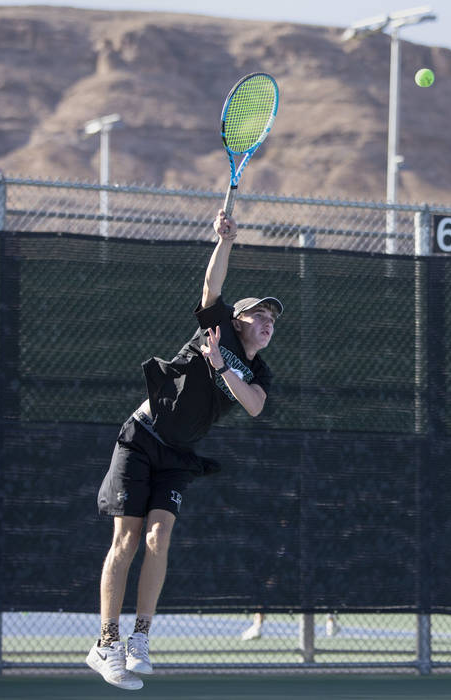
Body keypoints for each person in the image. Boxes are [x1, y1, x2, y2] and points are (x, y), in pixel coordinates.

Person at [86, 209, 282, 690]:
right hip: (142, 436)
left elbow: (255, 406)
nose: (267, 321)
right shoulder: (216, 325)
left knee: (157, 540)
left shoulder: (257, 372)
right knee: (126, 540)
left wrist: (223, 368)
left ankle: (140, 639)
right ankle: (105, 642)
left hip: (179, 454)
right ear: (238, 320)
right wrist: (226, 242)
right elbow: (212, 286)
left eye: (273, 317)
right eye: (259, 313)